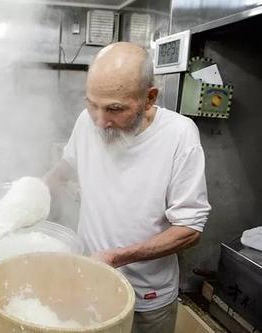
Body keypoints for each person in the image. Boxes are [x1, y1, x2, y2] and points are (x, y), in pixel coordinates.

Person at [44, 42, 211, 333]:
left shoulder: (179, 136)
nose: (100, 121)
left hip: (147, 299)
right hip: (88, 281)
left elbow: (189, 230)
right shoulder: (88, 121)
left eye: (115, 109)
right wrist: (37, 191)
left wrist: (117, 257)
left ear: (149, 98)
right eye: (91, 103)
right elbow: (66, 166)